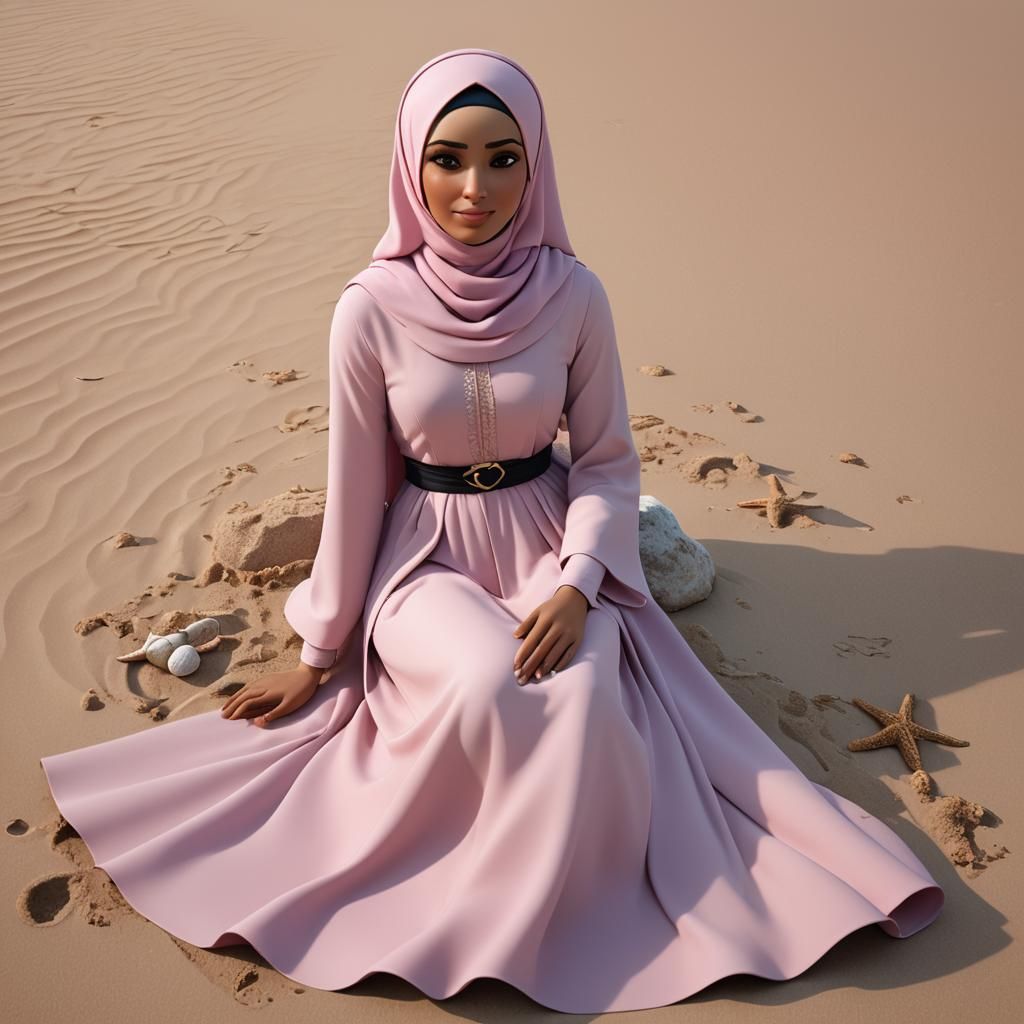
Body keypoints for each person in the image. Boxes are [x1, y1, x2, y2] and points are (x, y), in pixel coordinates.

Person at [40, 49, 944, 1014]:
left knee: (589, 693)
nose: (476, 187)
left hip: (551, 544)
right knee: (484, 684)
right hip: (423, 553)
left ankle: (579, 920)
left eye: (503, 158)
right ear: (410, 165)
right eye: (449, 158)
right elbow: (354, 489)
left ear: (535, 164)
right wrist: (319, 652)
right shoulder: (369, 309)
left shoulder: (575, 294)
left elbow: (603, 460)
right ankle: (477, 906)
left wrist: (581, 580)